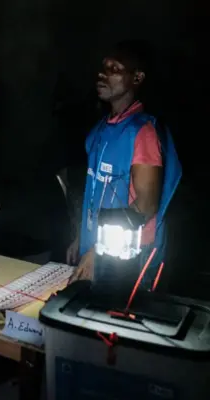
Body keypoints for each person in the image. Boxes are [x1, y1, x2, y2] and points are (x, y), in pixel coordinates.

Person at [67, 41, 182, 283]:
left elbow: (147, 205)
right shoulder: (100, 130)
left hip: (127, 258)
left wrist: (99, 252)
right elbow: (94, 191)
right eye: (103, 67)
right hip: (97, 249)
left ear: (137, 78)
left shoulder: (143, 132)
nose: (103, 74)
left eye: (115, 69)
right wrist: (81, 235)